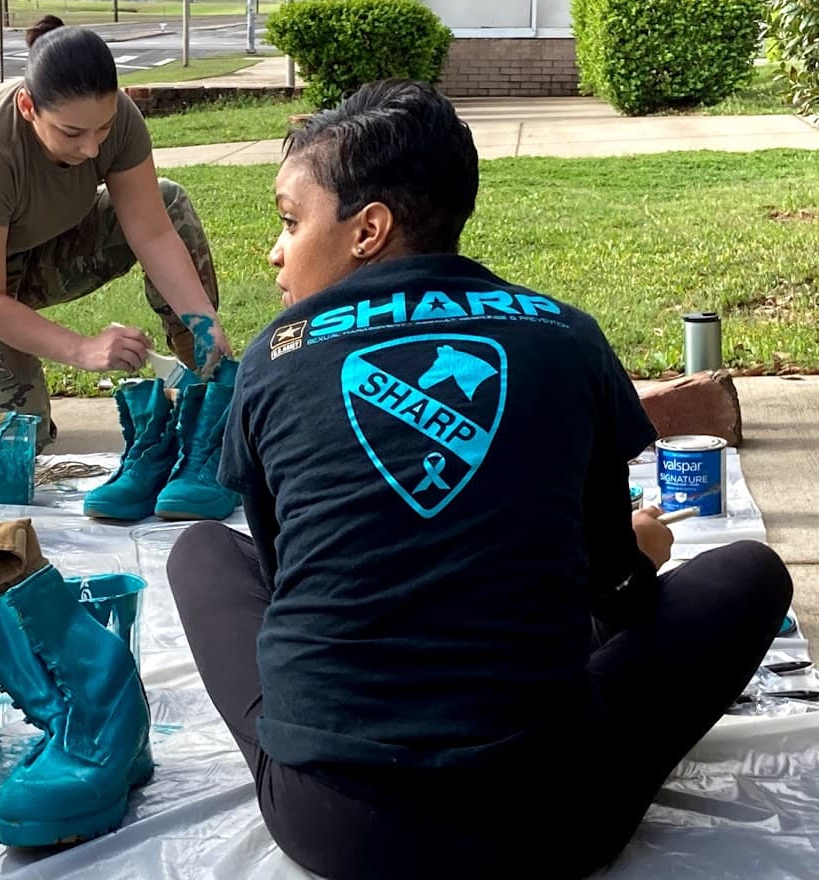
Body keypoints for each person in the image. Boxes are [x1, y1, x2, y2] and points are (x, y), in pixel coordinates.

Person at [166, 79, 793, 879]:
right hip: (552, 819)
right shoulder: (567, 335)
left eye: (289, 222)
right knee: (748, 572)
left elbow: (295, 586)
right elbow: (615, 594)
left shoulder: (274, 357)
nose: (275, 250)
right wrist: (632, 552)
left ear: (369, 230)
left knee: (200, 551)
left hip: (334, 823)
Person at [0, 15, 231, 450]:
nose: (92, 149)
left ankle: (208, 389)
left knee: (170, 201)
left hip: (36, 250)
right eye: (72, 132)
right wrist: (85, 350)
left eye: (103, 128)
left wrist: (205, 325)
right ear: (28, 107)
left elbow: (153, 233)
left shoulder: (118, 119)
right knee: (14, 437)